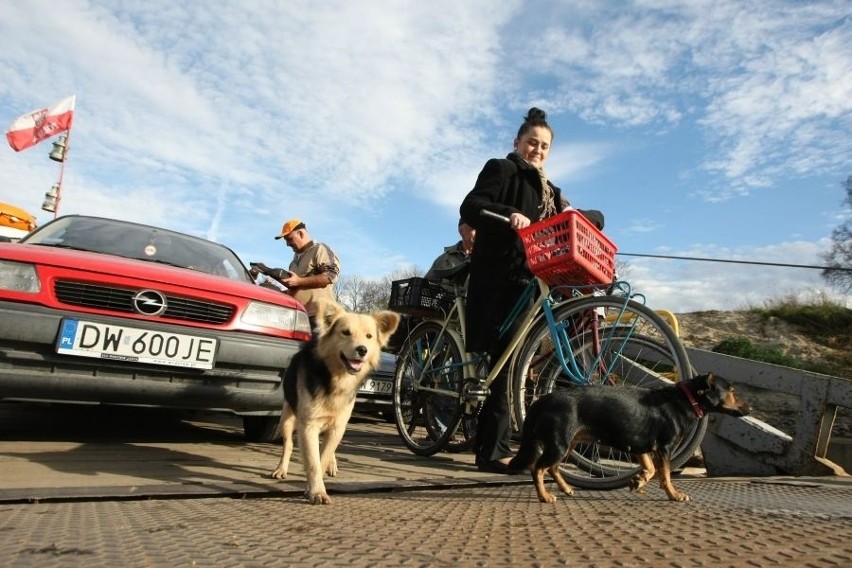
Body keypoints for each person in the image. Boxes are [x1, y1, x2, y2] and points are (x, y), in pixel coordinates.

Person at [459, 107, 603, 474]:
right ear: (518, 143)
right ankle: (491, 452)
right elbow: (471, 205)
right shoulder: (502, 169)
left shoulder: (551, 191)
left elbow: (564, 219)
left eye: (544, 146)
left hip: (533, 280)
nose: (537, 150)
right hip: (500, 276)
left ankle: (547, 444)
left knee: (521, 361)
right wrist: (509, 214)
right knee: (505, 362)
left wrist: (591, 219)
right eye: (531, 143)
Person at [270, 218, 341, 328]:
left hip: (320, 318)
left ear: (301, 234)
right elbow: (297, 289)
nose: (287, 244)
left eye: (289, 239)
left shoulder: (319, 249)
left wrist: (299, 281)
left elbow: (331, 275)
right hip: (299, 318)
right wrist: (273, 291)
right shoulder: (293, 263)